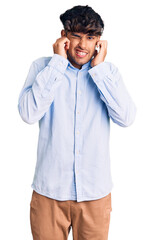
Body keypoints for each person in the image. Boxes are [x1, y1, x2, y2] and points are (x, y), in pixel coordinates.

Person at [17, 5, 137, 240]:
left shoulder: (108, 73)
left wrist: (99, 69)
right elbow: (28, 114)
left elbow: (126, 118)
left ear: (99, 42)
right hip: (49, 193)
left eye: (90, 38)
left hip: (95, 194)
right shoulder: (42, 68)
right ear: (64, 37)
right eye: (76, 36)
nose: (83, 45)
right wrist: (57, 64)